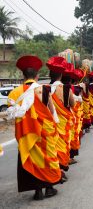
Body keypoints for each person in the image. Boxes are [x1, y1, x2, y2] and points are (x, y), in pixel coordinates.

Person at [8, 56, 60, 200]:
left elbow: (12, 113)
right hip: (44, 132)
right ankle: (49, 188)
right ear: (37, 75)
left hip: (27, 134)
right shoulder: (44, 89)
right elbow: (52, 111)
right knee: (46, 158)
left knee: (32, 159)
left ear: (22, 75)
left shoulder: (14, 93)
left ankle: (37, 191)